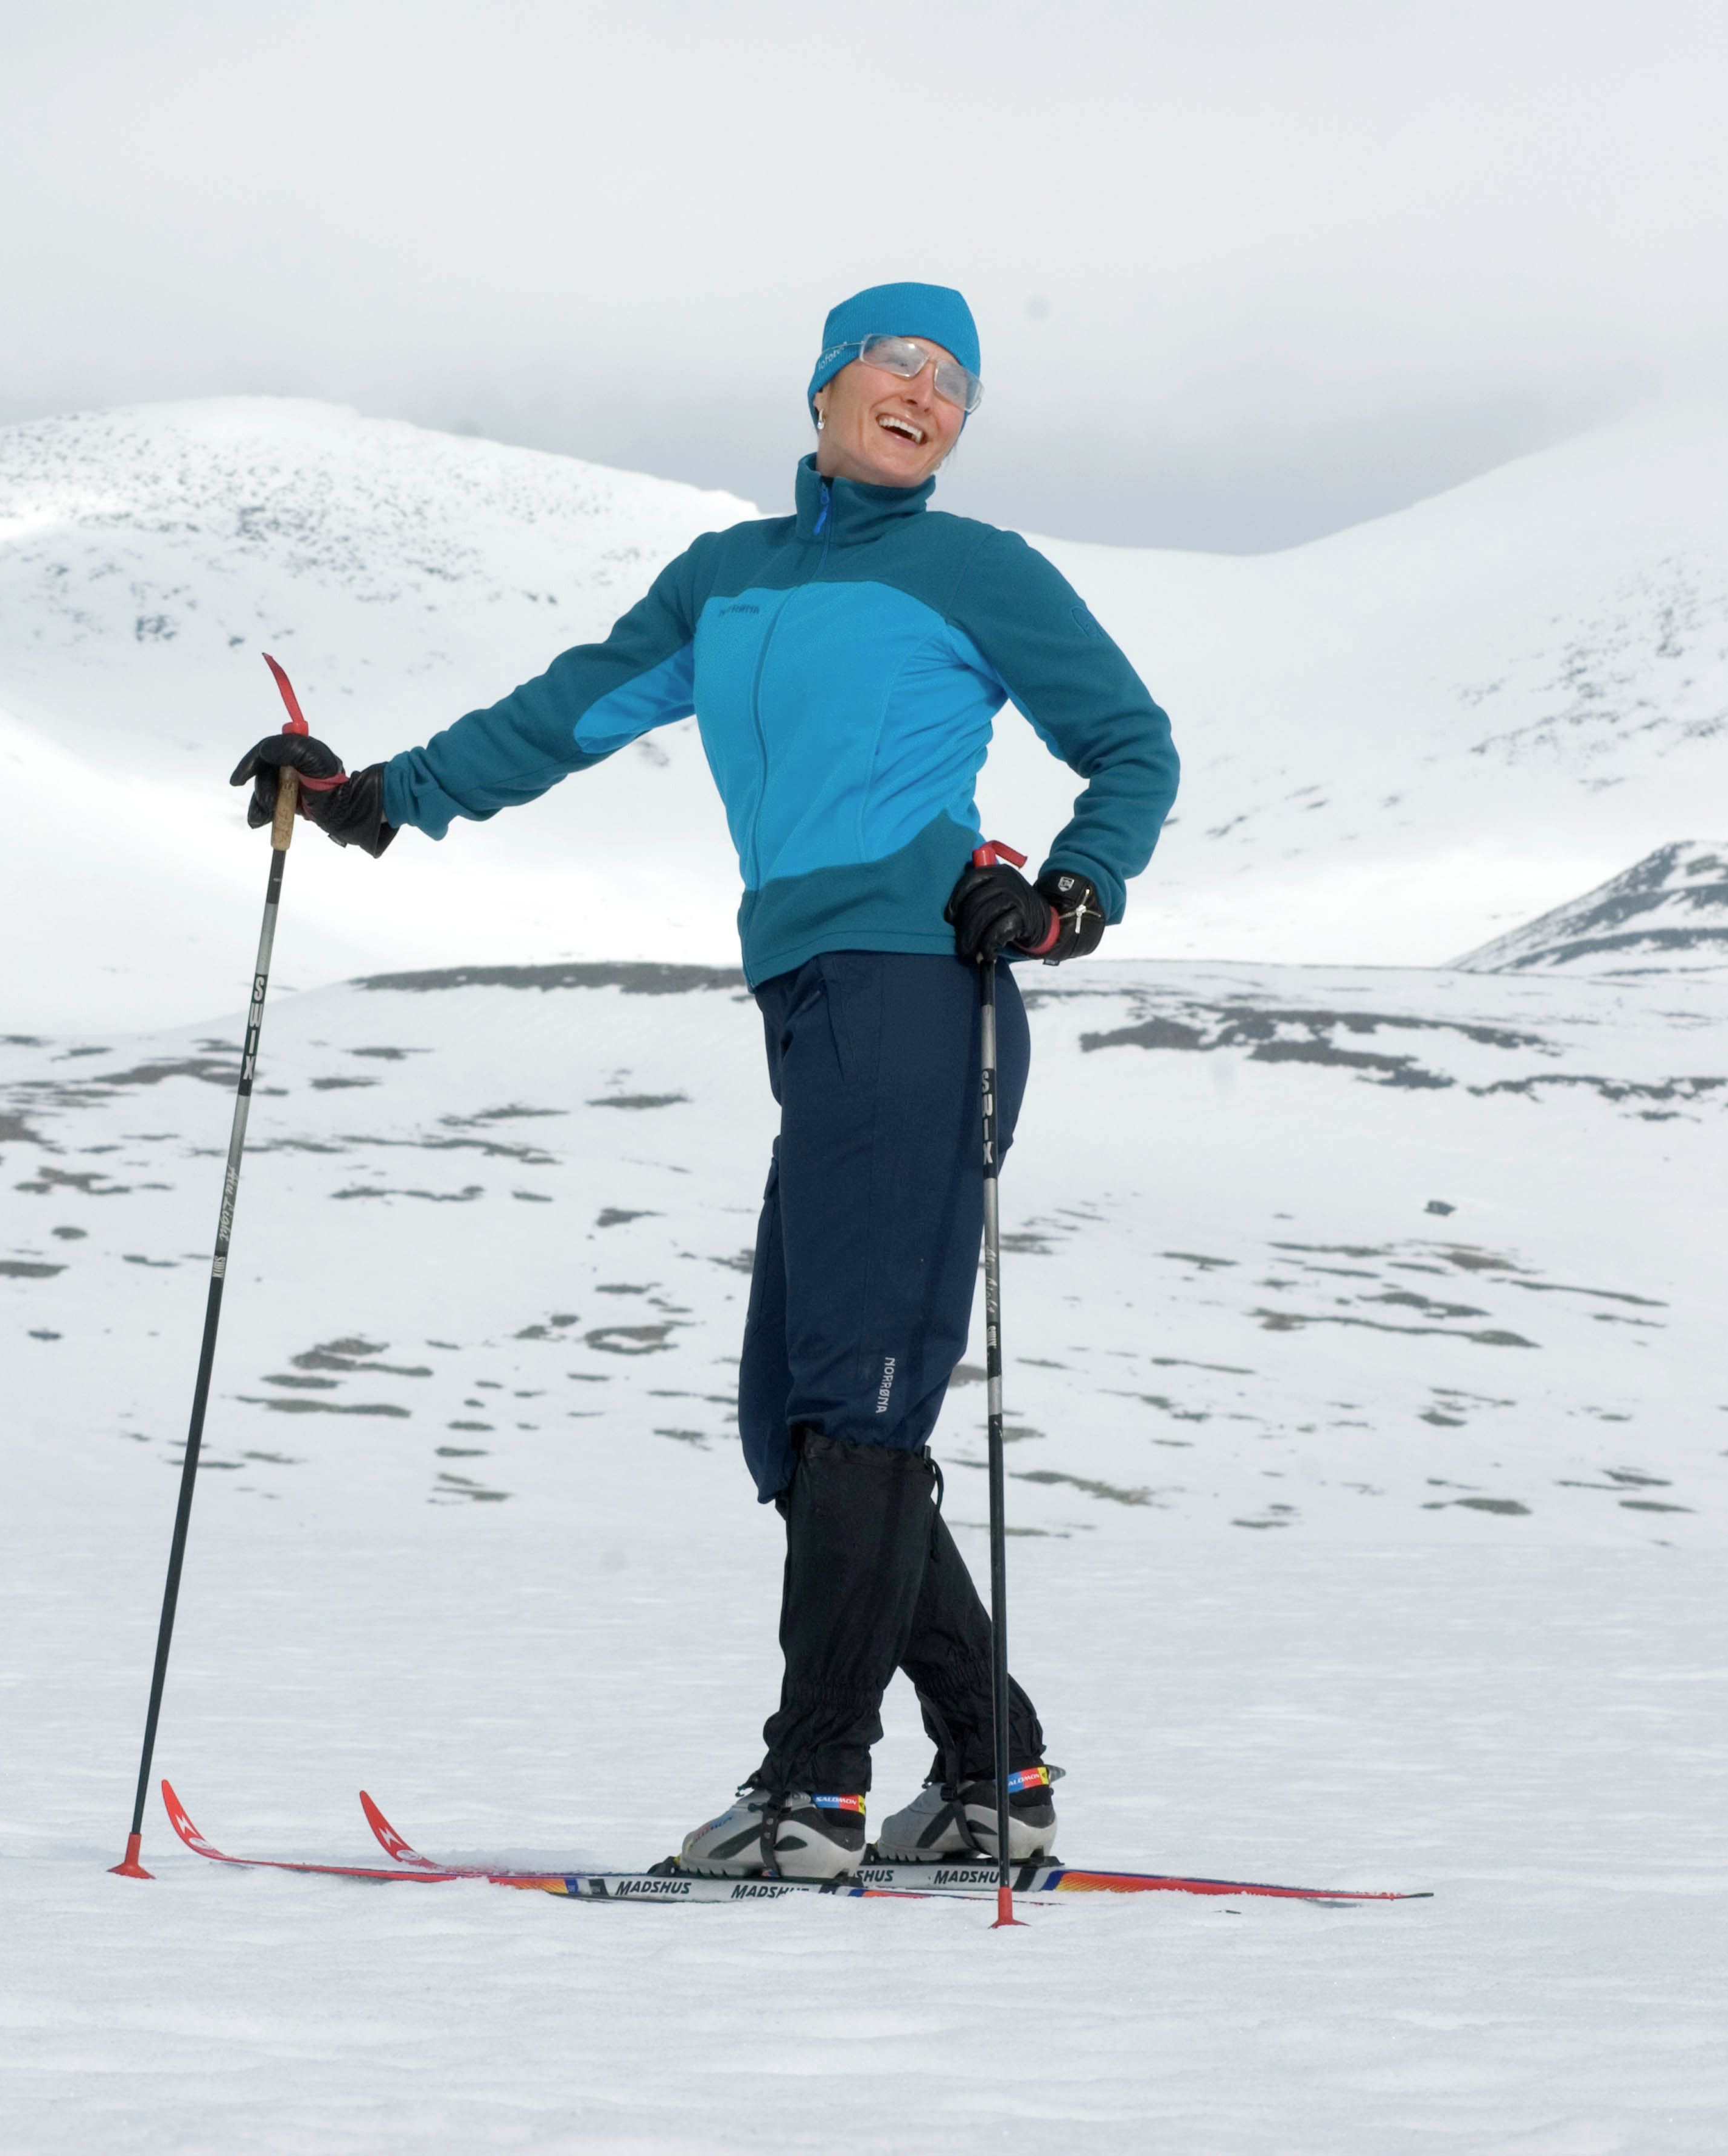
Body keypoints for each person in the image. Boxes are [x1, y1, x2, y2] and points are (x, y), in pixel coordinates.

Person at [234, 282, 1180, 1879]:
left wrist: (1066, 895)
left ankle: (811, 1795)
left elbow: (1132, 746)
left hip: (922, 984)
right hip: (811, 999)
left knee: (854, 1406)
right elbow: (567, 713)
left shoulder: (979, 572)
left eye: (955, 383)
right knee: (796, 1424)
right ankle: (988, 1775)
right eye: (899, 363)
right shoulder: (726, 580)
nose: (927, 394)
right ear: (827, 385)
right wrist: (379, 796)